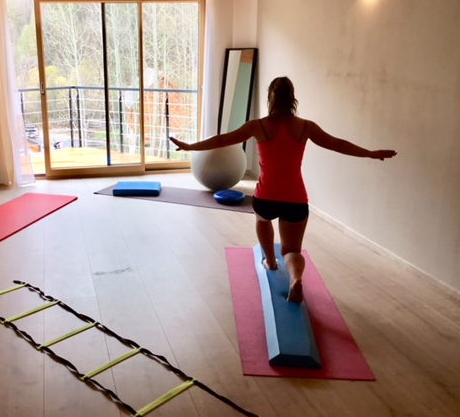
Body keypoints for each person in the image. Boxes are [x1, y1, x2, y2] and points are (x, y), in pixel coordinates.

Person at [169, 77, 397, 303]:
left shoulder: (258, 126)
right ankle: (296, 278)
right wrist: (370, 153)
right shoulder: (306, 127)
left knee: (262, 219)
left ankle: (270, 261)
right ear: (292, 99)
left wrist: (190, 146)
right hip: (295, 199)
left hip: (266, 197)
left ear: (270, 98)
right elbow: (337, 144)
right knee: (292, 251)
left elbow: (222, 140)